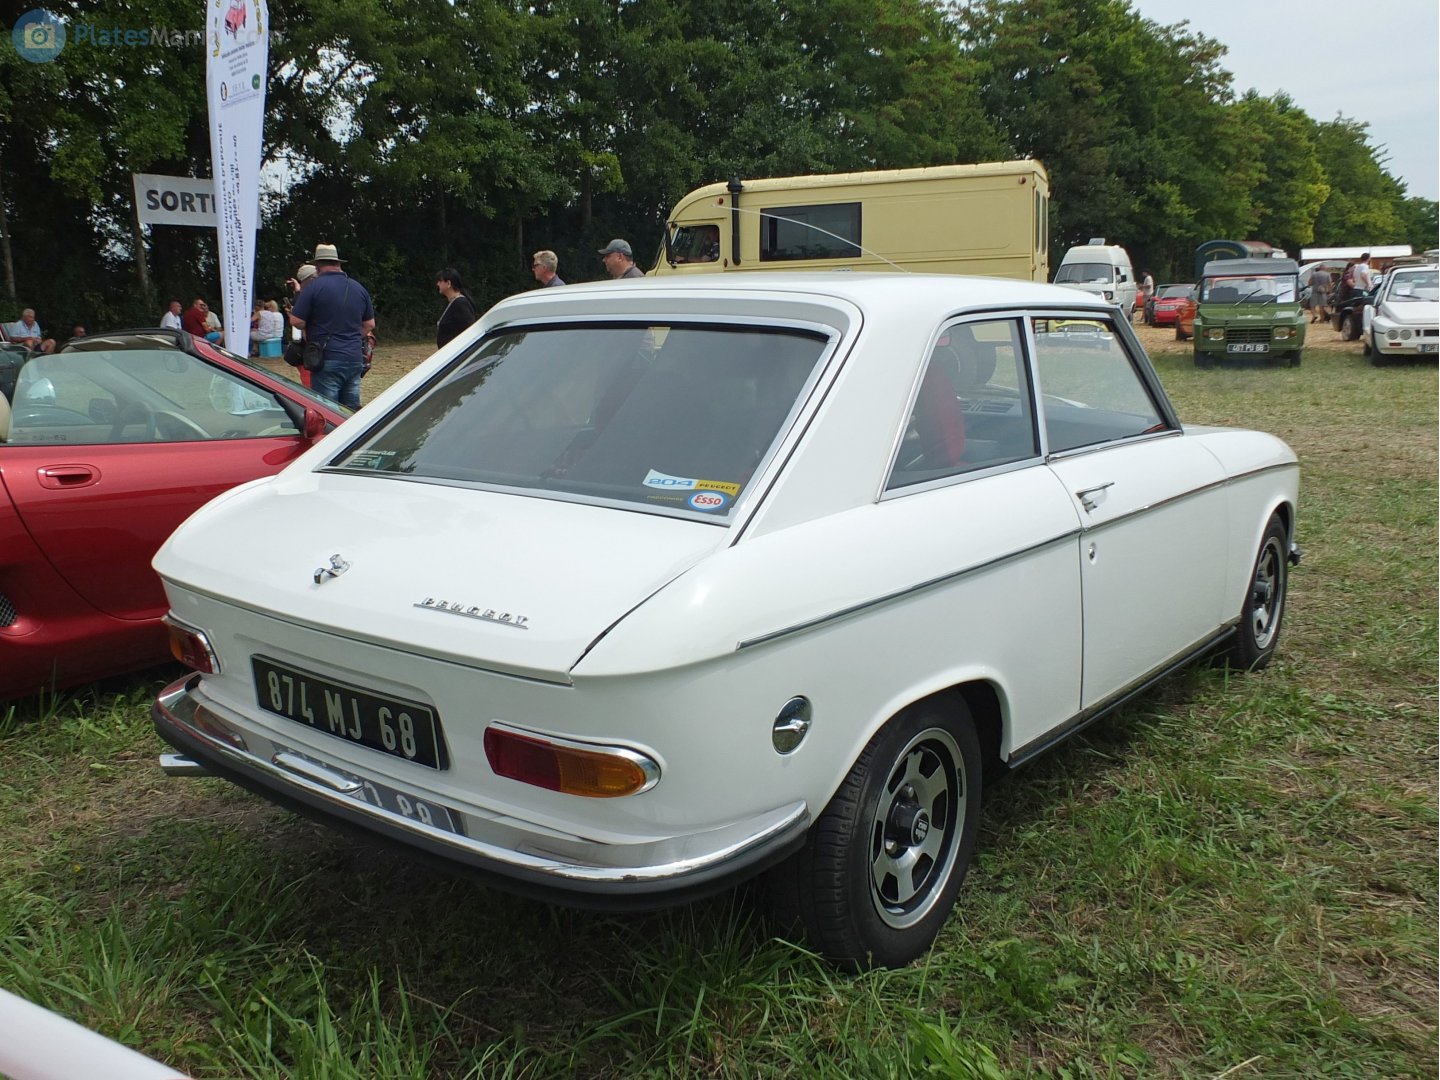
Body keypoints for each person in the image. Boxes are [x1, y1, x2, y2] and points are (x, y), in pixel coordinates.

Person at [290, 242, 375, 409]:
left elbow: (296, 321)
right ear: (338, 264)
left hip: (327, 358)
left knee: (328, 412)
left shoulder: (313, 288)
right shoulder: (358, 288)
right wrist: (351, 338)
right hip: (354, 358)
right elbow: (369, 324)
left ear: (318, 266)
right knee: (350, 412)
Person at [283, 263, 318, 387]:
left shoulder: (309, 296)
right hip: (310, 349)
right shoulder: (311, 295)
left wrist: (298, 293)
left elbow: (302, 320)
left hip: (311, 349)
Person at [435, 267, 478, 347]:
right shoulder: (451, 303)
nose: (438, 284)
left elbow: (469, 331)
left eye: (440, 281)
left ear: (448, 283)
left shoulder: (460, 304)